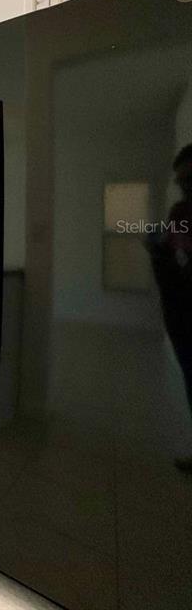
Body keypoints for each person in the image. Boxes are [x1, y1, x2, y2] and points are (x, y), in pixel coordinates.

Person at [149, 143, 192, 471]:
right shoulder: (181, 213)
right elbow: (169, 253)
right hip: (182, 314)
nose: (185, 187)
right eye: (182, 181)